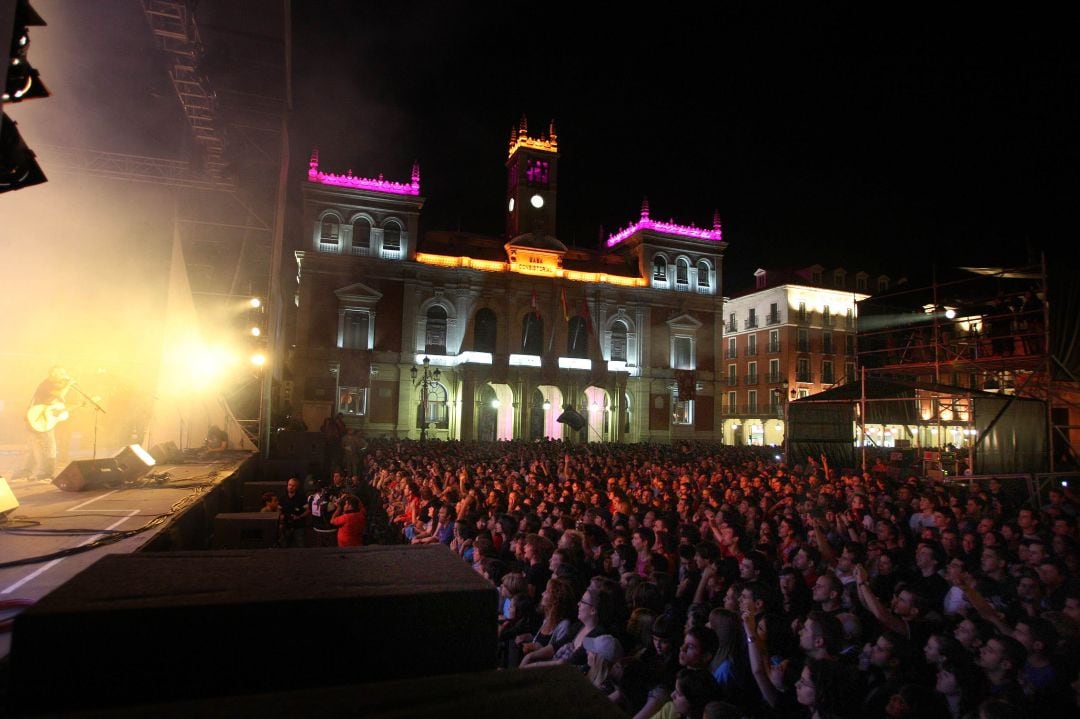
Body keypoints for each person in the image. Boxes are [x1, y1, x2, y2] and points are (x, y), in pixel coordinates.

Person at [17, 366, 75, 481]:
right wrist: (69, 384)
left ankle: (23, 474)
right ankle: (45, 475)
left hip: (40, 418)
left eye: (64, 372)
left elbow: (54, 402)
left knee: (36, 448)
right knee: (48, 447)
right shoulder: (47, 384)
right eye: (61, 372)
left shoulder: (52, 385)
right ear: (53, 373)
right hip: (39, 419)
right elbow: (58, 395)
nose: (64, 374)